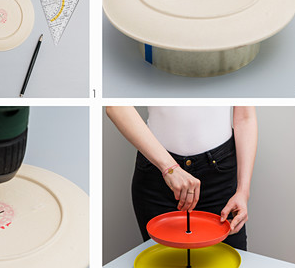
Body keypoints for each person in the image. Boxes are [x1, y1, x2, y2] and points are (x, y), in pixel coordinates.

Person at [106, 106, 257, 250]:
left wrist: (243, 191)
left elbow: (245, 117)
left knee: (229, 267)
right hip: (157, 175)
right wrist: (169, 168)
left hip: (220, 181)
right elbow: (116, 106)